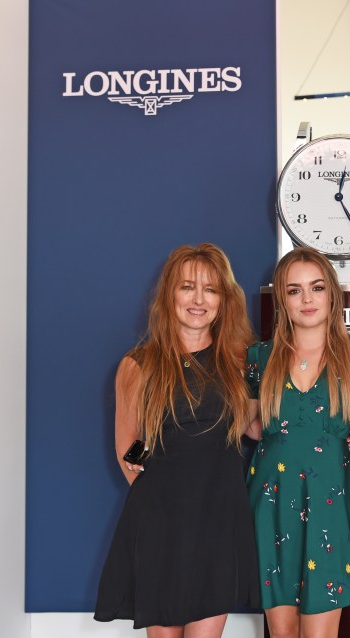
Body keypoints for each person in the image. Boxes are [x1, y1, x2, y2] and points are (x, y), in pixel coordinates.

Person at [94, 243, 260, 636]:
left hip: (219, 521)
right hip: (161, 525)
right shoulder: (139, 365)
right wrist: (165, 512)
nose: (199, 299)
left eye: (211, 289)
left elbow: (256, 430)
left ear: (224, 300)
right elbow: (128, 452)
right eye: (188, 287)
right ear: (170, 294)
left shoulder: (242, 362)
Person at [244, 247, 350, 638]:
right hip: (271, 506)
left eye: (316, 287)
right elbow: (249, 428)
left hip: (331, 507)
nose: (307, 299)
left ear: (332, 294)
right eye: (294, 290)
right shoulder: (259, 357)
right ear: (282, 299)